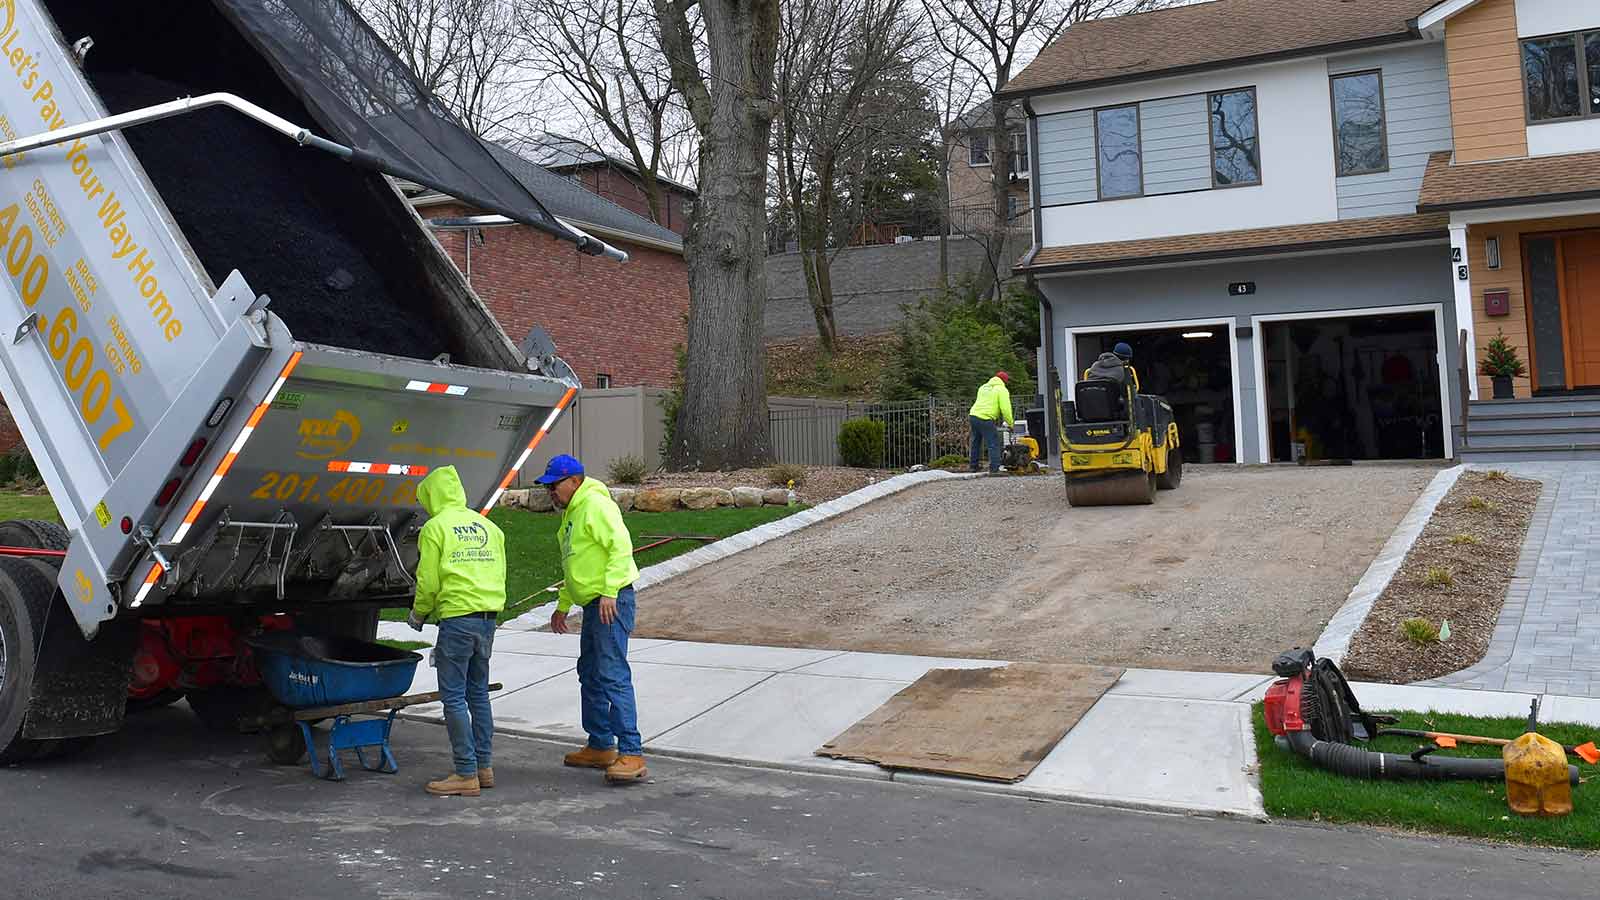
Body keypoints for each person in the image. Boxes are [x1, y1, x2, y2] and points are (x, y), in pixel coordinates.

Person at [539, 454, 647, 784]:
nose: (551, 493)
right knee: (590, 671)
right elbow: (576, 563)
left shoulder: (595, 505)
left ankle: (631, 752)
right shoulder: (574, 512)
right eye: (549, 487)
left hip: (609, 602)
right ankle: (601, 744)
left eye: (555, 485)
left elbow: (620, 546)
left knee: (612, 672)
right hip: (593, 602)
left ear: (574, 481)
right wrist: (563, 604)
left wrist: (611, 591)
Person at [408, 465, 507, 798]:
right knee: (478, 693)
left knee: (453, 697)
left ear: (433, 496)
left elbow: (429, 581)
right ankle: (484, 766)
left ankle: (465, 773)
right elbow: (500, 572)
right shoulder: (489, 526)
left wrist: (419, 614)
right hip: (487, 619)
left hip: (457, 619)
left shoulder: (435, 528)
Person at [968, 370, 1015, 474]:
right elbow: (1005, 409)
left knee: (976, 442)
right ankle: (994, 469)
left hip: (973, 416)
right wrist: (1011, 423)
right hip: (985, 418)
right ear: (1004, 381)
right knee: (993, 443)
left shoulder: (983, 387)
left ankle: (973, 466)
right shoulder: (1001, 389)